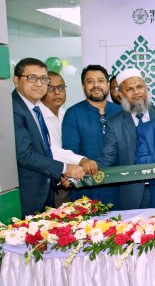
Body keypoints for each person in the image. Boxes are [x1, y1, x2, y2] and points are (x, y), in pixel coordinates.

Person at [11, 58, 85, 217]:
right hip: (26, 196)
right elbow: (23, 154)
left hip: (44, 192)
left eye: (43, 79)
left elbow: (44, 151)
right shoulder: (12, 109)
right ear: (16, 80)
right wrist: (65, 168)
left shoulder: (33, 109)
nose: (39, 84)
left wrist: (59, 175)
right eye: (32, 78)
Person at [97, 68, 155, 210]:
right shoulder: (114, 124)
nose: (136, 92)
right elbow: (107, 159)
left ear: (146, 88)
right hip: (133, 195)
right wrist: (84, 169)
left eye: (139, 87)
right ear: (121, 95)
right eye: (129, 89)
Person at [62, 65, 122, 205]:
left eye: (100, 81)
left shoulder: (121, 112)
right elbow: (70, 152)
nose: (96, 85)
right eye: (90, 81)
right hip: (86, 186)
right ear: (83, 86)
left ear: (108, 84)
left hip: (119, 185)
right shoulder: (73, 113)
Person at [40, 72, 97, 206]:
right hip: (48, 184)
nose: (57, 92)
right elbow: (50, 151)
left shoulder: (67, 113)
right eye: (50, 88)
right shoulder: (38, 117)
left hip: (70, 180)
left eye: (61, 87)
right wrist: (81, 160)